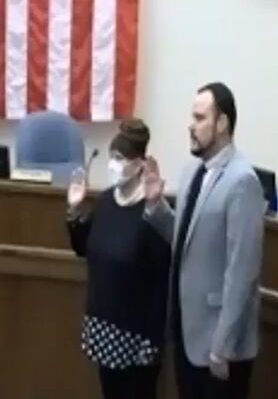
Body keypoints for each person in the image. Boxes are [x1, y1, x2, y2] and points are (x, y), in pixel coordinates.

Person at [144, 82, 265, 399]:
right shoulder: (191, 172)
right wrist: (157, 206)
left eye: (199, 118)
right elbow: (185, 241)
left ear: (222, 123)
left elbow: (242, 272)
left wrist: (223, 346)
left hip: (219, 346)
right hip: (187, 333)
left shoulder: (242, 181)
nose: (190, 125)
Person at [66, 119, 171, 399]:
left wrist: (153, 341)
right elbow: (82, 247)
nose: (112, 164)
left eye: (120, 158)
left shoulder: (151, 212)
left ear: (139, 165)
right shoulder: (106, 202)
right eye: (111, 157)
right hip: (103, 327)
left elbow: (162, 281)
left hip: (136, 337)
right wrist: (75, 210)